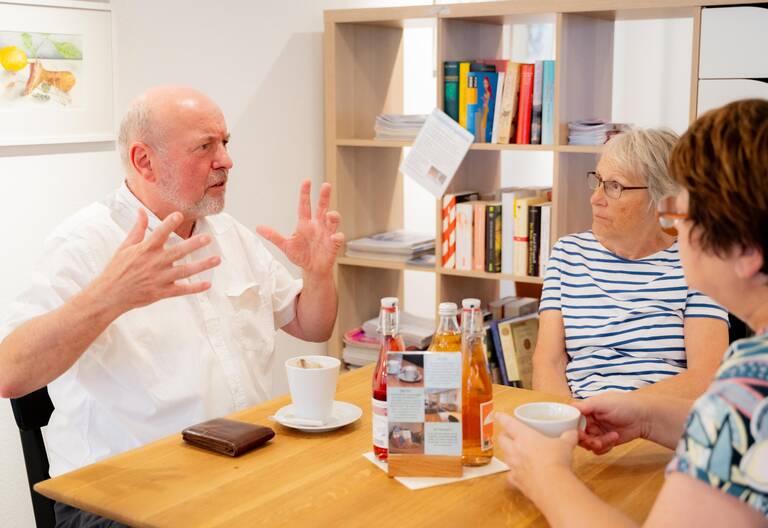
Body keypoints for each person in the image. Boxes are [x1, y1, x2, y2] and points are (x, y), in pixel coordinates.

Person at [0, 86, 344, 525]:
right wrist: (110, 297)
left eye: (225, 142)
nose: (226, 160)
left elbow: (312, 325)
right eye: (205, 146)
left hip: (243, 469)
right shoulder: (84, 243)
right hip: (123, 499)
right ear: (145, 160)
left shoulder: (226, 232)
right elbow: (10, 373)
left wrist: (317, 275)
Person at [498, 99, 768, 527]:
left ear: (747, 251)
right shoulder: (749, 371)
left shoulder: (749, 387)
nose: (675, 225)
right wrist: (643, 417)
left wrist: (545, 474)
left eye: (687, 213)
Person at [533, 127, 728, 399]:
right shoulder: (568, 254)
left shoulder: (699, 265)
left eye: (614, 186)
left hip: (661, 425)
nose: (595, 199)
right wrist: (567, 423)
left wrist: (621, 414)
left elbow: (705, 378)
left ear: (661, 197)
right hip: (580, 422)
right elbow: (548, 363)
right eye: (598, 181)